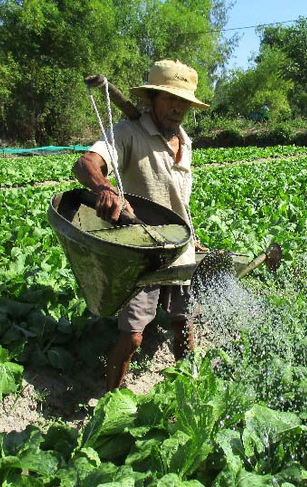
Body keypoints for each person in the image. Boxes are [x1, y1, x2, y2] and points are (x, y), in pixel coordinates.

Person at [73, 59, 209, 391]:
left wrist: (192, 238)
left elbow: (178, 200)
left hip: (178, 247)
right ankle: (110, 401)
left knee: (183, 325)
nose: (177, 109)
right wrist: (106, 188)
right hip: (140, 249)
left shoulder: (185, 141)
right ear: (151, 99)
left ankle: (185, 392)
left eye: (184, 103)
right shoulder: (127, 132)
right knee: (133, 336)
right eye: (170, 99)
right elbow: (86, 163)